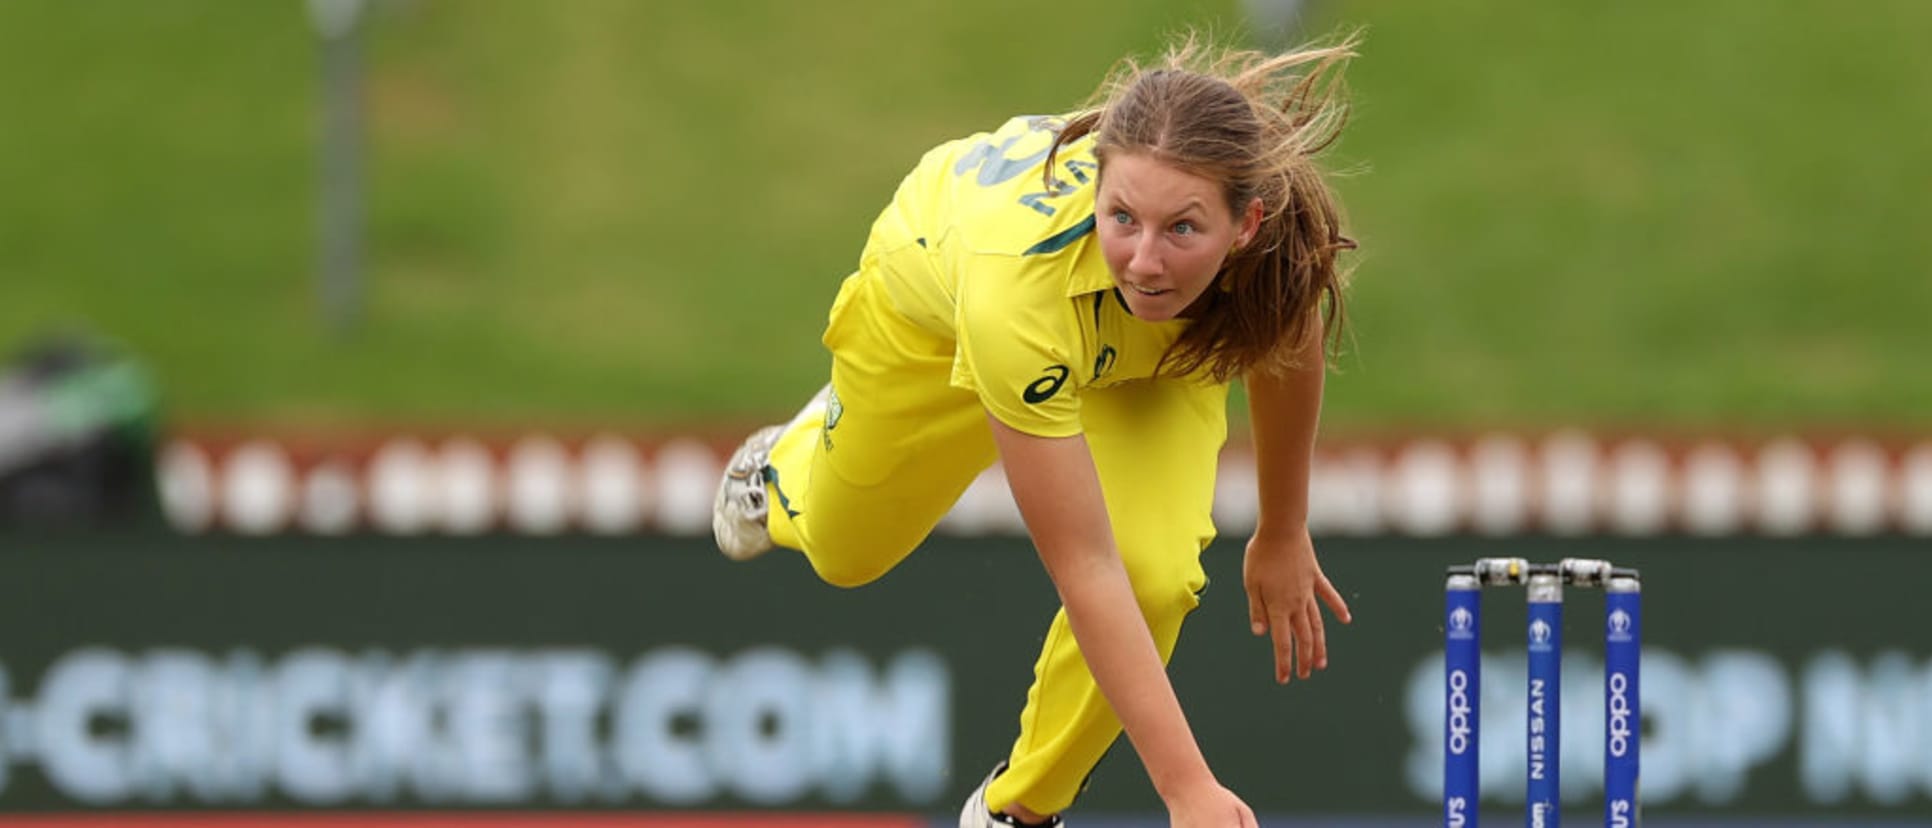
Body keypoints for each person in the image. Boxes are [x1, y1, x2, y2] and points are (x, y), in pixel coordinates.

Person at [712, 32, 1360, 828]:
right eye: (1121, 217)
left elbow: (1284, 343)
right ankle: (781, 465)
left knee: (1156, 577)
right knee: (846, 554)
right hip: (943, 322)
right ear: (1098, 188)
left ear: (1246, 224)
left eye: (1183, 230)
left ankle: (1015, 813)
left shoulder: (1279, 242)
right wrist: (1187, 788)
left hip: (1150, 353)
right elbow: (1084, 567)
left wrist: (1284, 527)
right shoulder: (1013, 295)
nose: (1146, 262)